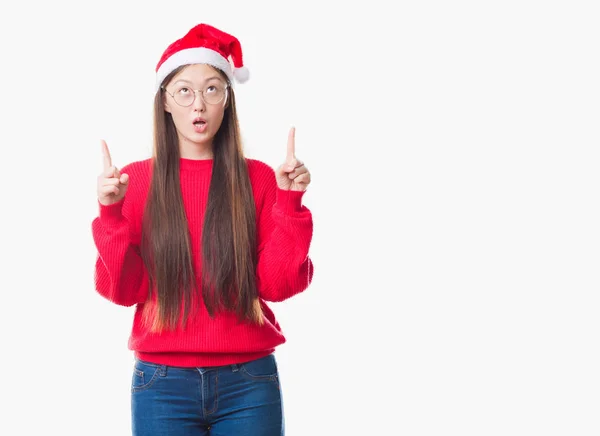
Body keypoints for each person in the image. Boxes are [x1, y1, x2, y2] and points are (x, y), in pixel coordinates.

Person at [91, 22, 314, 435]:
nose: (199, 105)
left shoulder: (259, 179)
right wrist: (110, 215)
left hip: (249, 383)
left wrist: (289, 202)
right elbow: (123, 291)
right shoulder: (136, 182)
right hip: (162, 384)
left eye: (213, 89)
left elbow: (278, 286)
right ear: (165, 103)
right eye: (185, 91)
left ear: (227, 101)